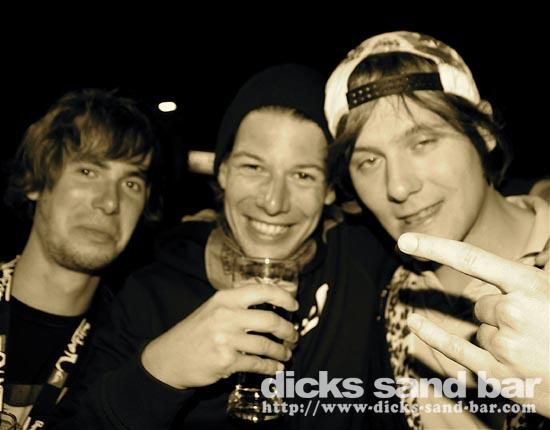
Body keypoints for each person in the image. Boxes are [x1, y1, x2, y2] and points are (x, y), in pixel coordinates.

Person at [50, 64, 397, 430]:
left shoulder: (363, 263)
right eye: (253, 167)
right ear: (223, 172)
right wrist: (159, 371)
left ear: (329, 190)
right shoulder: (148, 293)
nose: (273, 202)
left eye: (303, 175)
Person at [325, 31, 549, 429]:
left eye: (423, 142)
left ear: (482, 131)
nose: (398, 187)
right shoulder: (374, 285)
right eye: (369, 162)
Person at [0, 88, 160, 428]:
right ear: (35, 182)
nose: (110, 202)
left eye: (131, 183)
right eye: (88, 171)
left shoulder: (132, 348)